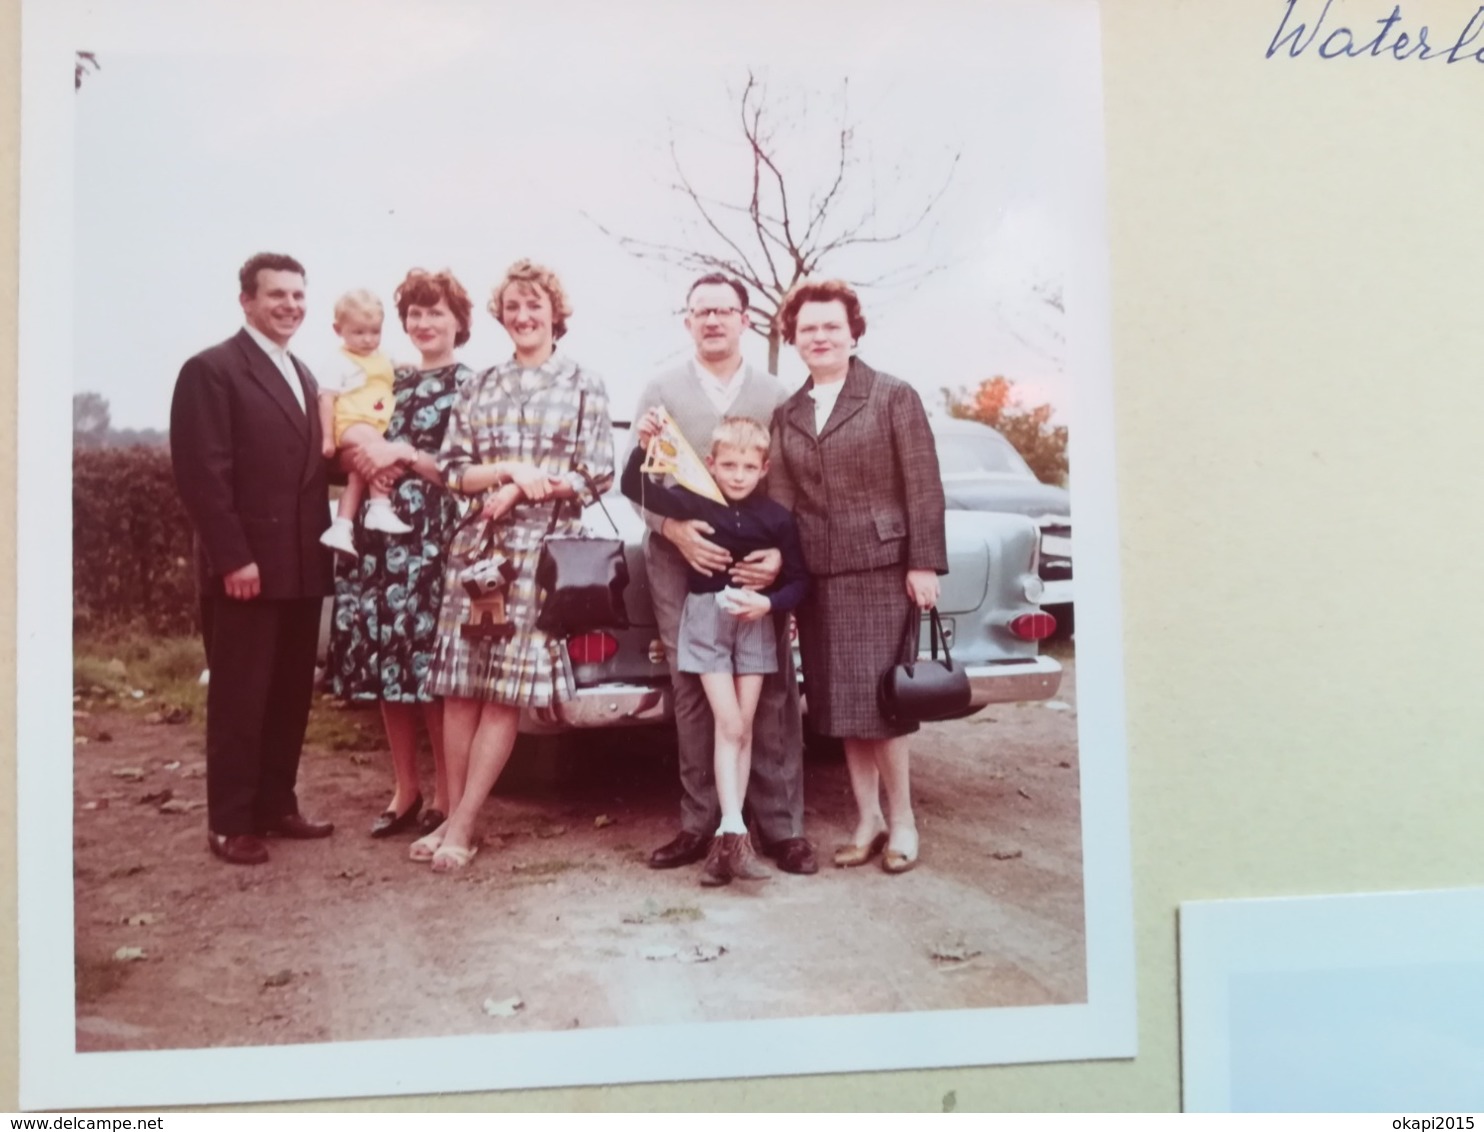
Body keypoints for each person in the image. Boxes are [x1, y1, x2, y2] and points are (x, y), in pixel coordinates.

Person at [415, 259, 615, 873]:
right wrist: (504, 474)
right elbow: (453, 470)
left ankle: (466, 824)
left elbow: (597, 473)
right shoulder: (482, 385)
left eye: (535, 306)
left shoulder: (583, 382)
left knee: (502, 695)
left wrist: (531, 489)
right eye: (513, 307)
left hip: (538, 555)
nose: (524, 317)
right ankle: (452, 816)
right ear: (501, 317)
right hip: (479, 554)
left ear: (556, 314)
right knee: (460, 689)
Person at [628, 274, 818, 876]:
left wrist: (780, 557)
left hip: (756, 560)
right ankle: (700, 823)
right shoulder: (661, 386)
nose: (713, 321)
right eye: (702, 311)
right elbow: (641, 480)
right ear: (688, 321)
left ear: (745, 320)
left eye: (725, 311)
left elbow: (787, 480)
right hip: (679, 561)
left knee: (771, 685)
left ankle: (780, 824)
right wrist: (673, 531)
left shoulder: (775, 391)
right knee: (693, 687)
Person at [767, 279, 947, 875]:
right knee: (841, 704)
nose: (820, 337)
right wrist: (784, 578)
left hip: (880, 570)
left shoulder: (893, 396)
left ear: (853, 333)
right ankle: (867, 818)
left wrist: (923, 563)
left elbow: (922, 485)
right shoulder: (787, 414)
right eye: (808, 328)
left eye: (831, 327)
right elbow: (782, 504)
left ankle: (904, 822)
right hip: (819, 578)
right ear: (793, 339)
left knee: (883, 705)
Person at [169, 252, 335, 866]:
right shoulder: (211, 371)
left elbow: (314, 461)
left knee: (290, 693)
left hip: (301, 565)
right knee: (241, 698)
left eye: (298, 295)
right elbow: (202, 475)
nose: (290, 306)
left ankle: (275, 804)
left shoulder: (305, 373)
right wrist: (232, 558)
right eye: (277, 295)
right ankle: (231, 822)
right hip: (245, 570)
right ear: (246, 301)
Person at [621, 416, 808, 886]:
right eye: (729, 465)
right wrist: (645, 447)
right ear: (711, 464)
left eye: (748, 466)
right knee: (729, 723)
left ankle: (731, 841)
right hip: (706, 620)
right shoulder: (695, 499)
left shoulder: (776, 519)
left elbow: (800, 580)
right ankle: (732, 831)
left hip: (754, 622)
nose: (739, 474)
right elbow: (633, 485)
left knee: (742, 728)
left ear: (764, 468)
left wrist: (769, 601)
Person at [324, 268, 477, 840]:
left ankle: (445, 794)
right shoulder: (392, 378)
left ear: (459, 322)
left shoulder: (470, 384)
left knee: (427, 670)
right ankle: (405, 788)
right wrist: (362, 457)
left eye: (436, 312)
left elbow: (461, 472)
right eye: (415, 313)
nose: (424, 323)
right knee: (388, 665)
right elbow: (347, 439)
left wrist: (404, 454)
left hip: (432, 538)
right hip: (377, 538)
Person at [317, 289, 414, 556]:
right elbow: (326, 399)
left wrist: (408, 366)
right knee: (380, 452)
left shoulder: (381, 356)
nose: (368, 339)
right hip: (350, 422)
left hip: (372, 423)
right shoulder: (338, 361)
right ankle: (379, 507)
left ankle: (342, 525)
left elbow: (391, 368)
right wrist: (327, 438)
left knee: (358, 475)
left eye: (375, 332)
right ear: (339, 330)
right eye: (359, 332)